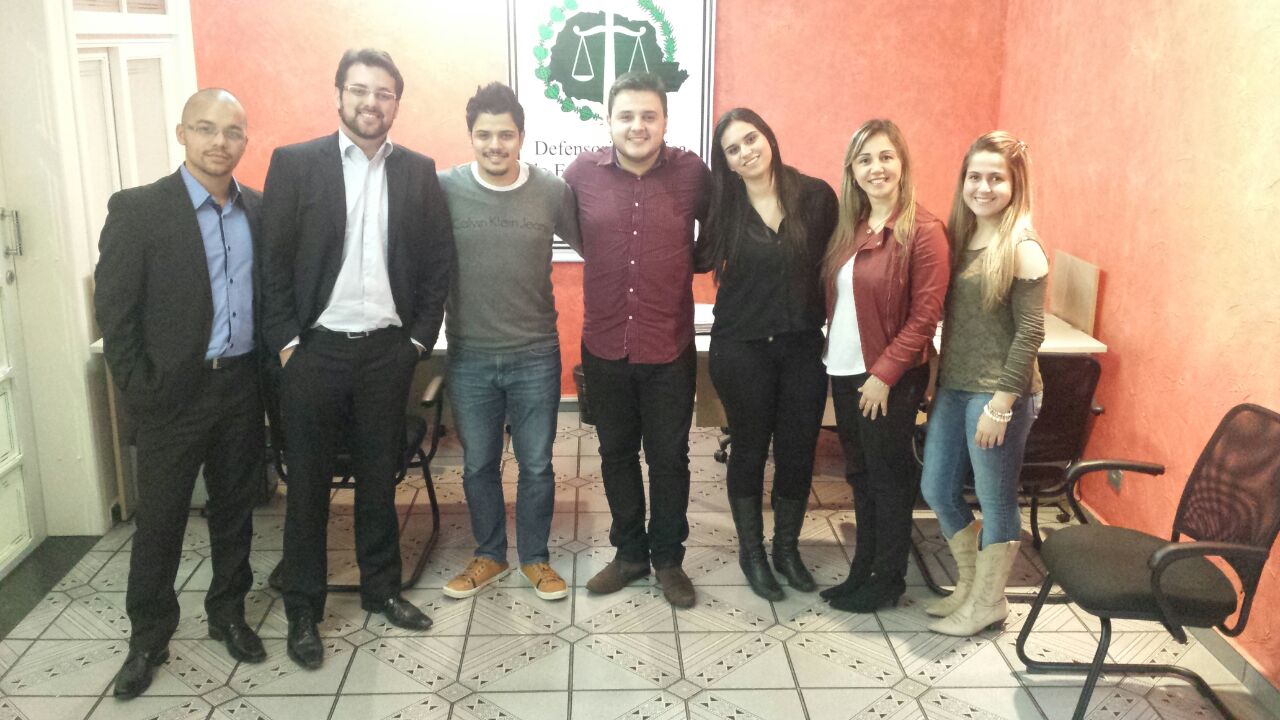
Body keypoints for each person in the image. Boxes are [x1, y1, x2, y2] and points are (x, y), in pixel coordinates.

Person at [261, 48, 455, 668]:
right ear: (339, 94)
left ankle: (382, 591)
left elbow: (438, 264)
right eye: (360, 90)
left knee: (379, 479)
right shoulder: (296, 164)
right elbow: (271, 264)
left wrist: (417, 342)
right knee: (308, 486)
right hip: (314, 352)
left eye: (384, 93)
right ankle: (303, 610)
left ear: (396, 102)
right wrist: (288, 345)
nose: (371, 103)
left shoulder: (417, 171)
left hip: (385, 354)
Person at [95, 88, 267, 698]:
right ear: (182, 133)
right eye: (206, 128)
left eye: (232, 132)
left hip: (241, 385)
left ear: (245, 140)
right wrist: (142, 390)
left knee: (235, 510)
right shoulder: (139, 210)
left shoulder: (258, 210)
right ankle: (148, 637)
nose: (220, 142)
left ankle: (228, 613)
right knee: (161, 521)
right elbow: (115, 315)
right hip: (172, 395)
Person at [562, 72, 711, 608]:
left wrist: (685, 263)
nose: (637, 126)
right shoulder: (580, 174)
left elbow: (718, 230)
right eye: (626, 115)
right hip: (604, 343)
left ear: (665, 121)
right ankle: (629, 554)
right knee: (616, 453)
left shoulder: (692, 173)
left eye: (649, 115)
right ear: (608, 121)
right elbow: (578, 235)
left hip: (669, 344)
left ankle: (668, 559)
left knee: (669, 458)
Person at [438, 82, 579, 601]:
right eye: (484, 135)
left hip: (535, 353)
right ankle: (490, 554)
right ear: (471, 136)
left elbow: (600, 244)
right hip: (469, 354)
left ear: (521, 136)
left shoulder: (551, 190)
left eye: (505, 134)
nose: (495, 145)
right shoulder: (444, 188)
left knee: (536, 464)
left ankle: (535, 559)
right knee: (478, 464)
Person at [696, 108, 838, 601]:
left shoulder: (816, 197)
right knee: (750, 450)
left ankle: (786, 550)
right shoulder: (723, 207)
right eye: (733, 149)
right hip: (741, 348)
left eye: (751, 139)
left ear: (769, 137)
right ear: (727, 163)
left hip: (802, 348)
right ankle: (752, 553)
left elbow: (840, 264)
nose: (746, 152)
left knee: (798, 451)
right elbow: (695, 258)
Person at [818, 119, 950, 612]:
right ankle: (863, 568)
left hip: (888, 378)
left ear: (902, 164)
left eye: (886, 157)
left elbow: (925, 317)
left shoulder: (925, 231)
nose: (877, 168)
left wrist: (884, 374)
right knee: (859, 474)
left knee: (888, 478)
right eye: (865, 159)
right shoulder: (850, 228)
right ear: (852, 170)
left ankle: (889, 578)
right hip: (844, 369)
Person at [920, 131, 1047, 636]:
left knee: (995, 502)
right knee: (936, 488)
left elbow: (1031, 332)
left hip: (998, 394)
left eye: (997, 178)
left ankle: (989, 602)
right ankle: (970, 587)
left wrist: (1001, 405)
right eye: (975, 176)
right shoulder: (959, 237)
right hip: (955, 386)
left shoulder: (1023, 246)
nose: (983, 187)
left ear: (1016, 185)